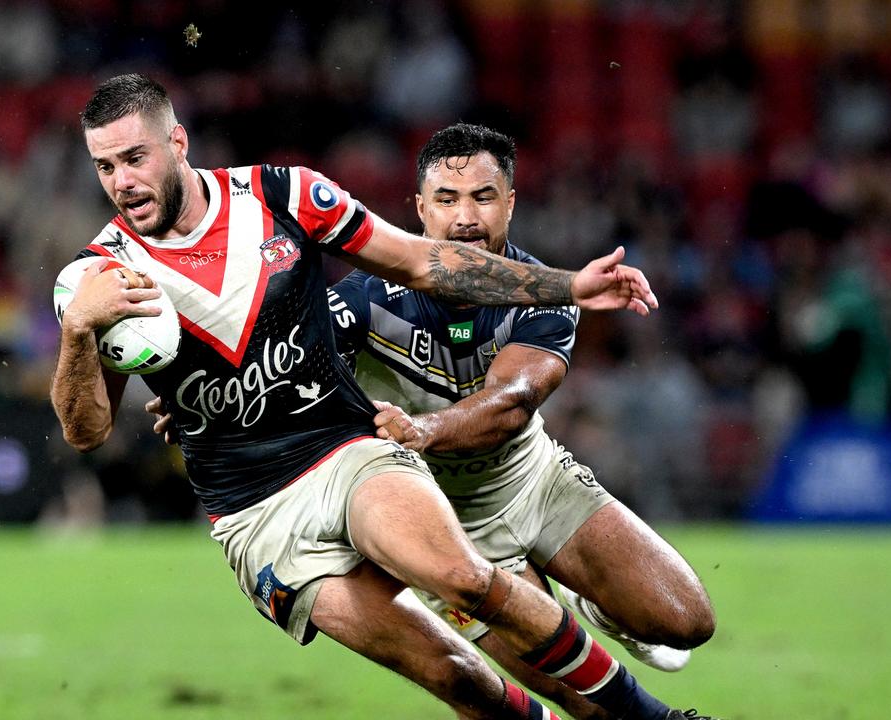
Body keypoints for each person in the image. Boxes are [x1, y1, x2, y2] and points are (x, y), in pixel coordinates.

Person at [54, 73, 712, 720]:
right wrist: (81, 334)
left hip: (348, 454)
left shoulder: (284, 195)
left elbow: (425, 264)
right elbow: (86, 432)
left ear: (178, 142)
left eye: (135, 157)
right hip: (251, 512)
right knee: (460, 680)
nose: (123, 181)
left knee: (471, 581)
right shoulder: (103, 277)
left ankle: (654, 719)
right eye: (104, 166)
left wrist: (565, 286)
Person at [325, 123, 717, 719]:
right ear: (418, 210)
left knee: (687, 621)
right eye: (446, 199)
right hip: (441, 525)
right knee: (584, 700)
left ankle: (597, 601)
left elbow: (510, 403)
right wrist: (197, 404)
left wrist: (424, 430)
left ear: (510, 201)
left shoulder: (544, 293)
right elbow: (282, 366)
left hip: (531, 479)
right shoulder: (362, 299)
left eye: (483, 197)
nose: (465, 218)